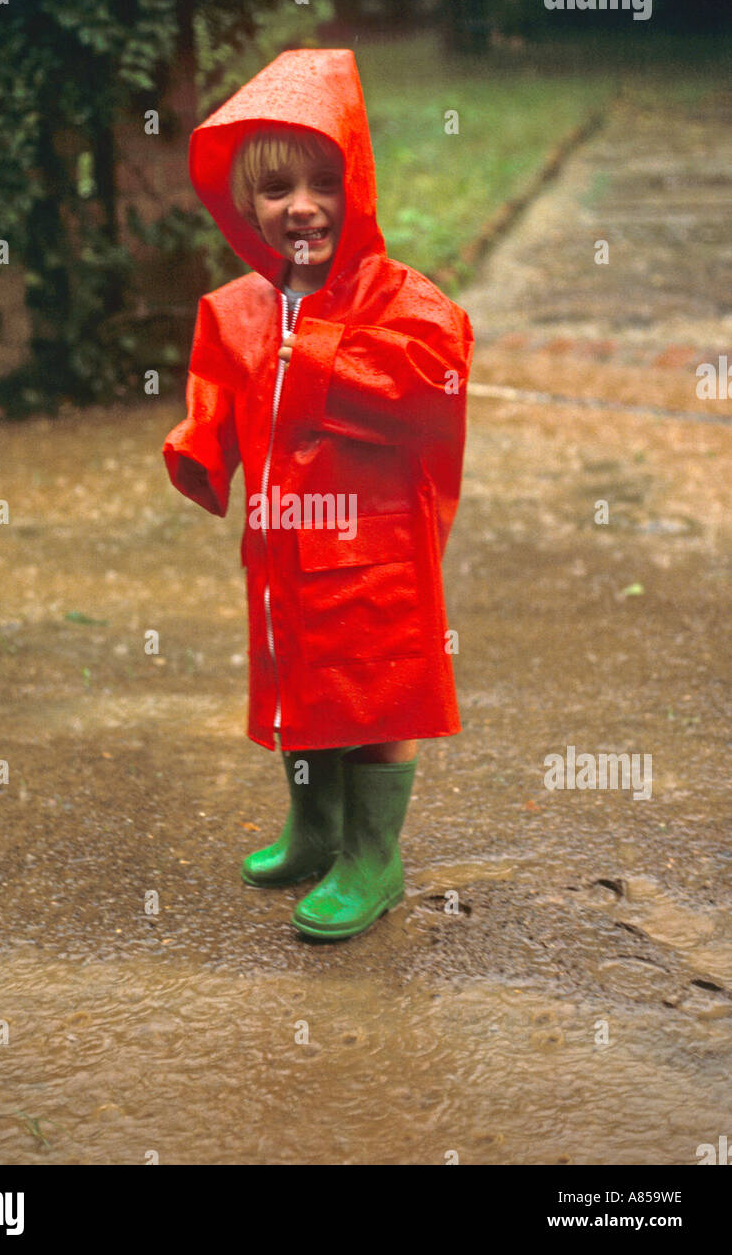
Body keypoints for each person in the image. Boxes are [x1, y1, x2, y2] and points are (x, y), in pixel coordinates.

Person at [163, 48, 473, 940]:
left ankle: (373, 857)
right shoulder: (235, 308)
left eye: (322, 181)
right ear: (244, 207)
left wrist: (321, 357)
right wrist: (201, 445)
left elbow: (429, 390)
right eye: (273, 190)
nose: (299, 205)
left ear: (356, 185)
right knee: (295, 681)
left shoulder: (404, 304)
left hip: (374, 553)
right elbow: (219, 388)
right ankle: (315, 827)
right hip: (281, 547)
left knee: (376, 695)